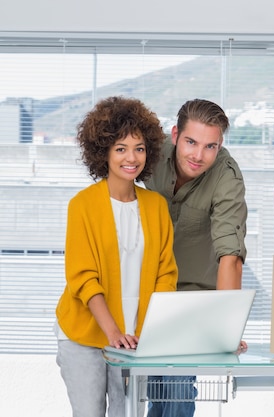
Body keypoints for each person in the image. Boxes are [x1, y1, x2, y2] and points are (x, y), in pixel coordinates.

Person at [54, 96, 178, 417]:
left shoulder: (156, 206)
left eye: (139, 147)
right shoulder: (82, 205)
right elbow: (82, 277)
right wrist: (112, 333)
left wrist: (150, 331)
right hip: (85, 335)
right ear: (104, 151)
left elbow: (166, 275)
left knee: (129, 413)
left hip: (136, 338)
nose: (131, 157)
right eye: (120, 148)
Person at [144, 99, 248, 417]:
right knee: (153, 392)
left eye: (210, 146)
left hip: (190, 298)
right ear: (175, 134)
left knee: (175, 387)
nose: (198, 156)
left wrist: (227, 328)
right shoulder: (148, 151)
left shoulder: (226, 177)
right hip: (145, 293)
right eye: (191, 142)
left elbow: (229, 254)